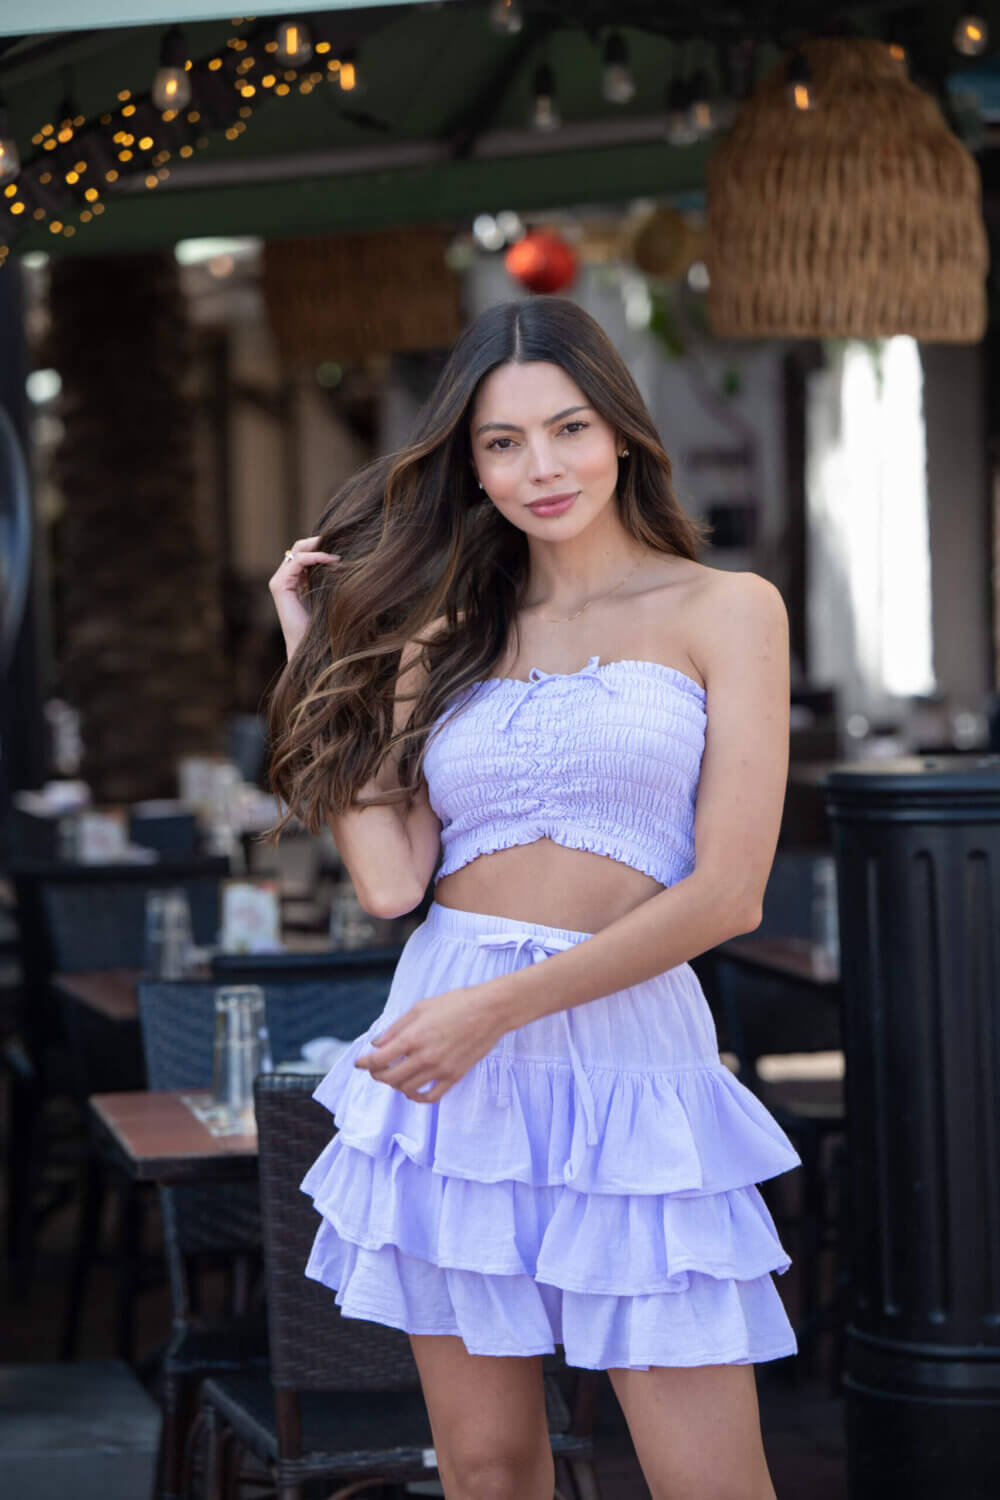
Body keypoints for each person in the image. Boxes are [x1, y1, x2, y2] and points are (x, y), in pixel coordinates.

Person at [265, 296, 800, 1500]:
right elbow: (394, 880)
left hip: (625, 1061)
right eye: (502, 442)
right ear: (470, 461)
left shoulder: (727, 608)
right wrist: (313, 659)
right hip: (446, 1066)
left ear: (619, 431)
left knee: (709, 1480)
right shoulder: (439, 635)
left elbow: (729, 894)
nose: (540, 467)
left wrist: (494, 1012)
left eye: (566, 429)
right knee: (491, 1469)